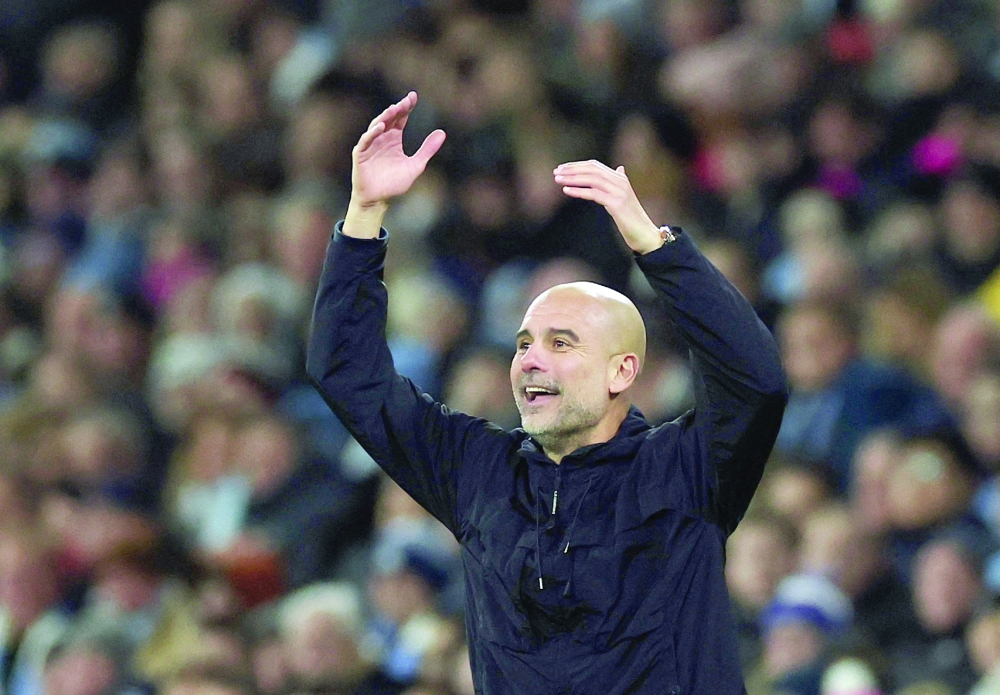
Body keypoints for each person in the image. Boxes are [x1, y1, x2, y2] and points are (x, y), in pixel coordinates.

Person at [306, 92, 788, 695]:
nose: (530, 359)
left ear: (622, 372)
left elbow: (754, 379)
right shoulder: (478, 472)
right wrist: (364, 212)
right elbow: (347, 374)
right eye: (523, 343)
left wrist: (655, 247)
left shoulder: (686, 469)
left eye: (562, 343)